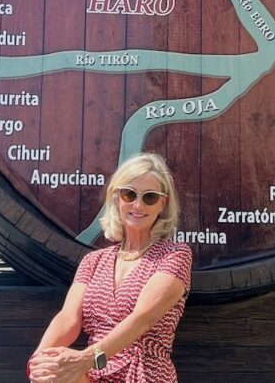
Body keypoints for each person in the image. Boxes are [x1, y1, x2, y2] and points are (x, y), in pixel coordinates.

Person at [28, 152, 192, 383]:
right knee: (52, 370)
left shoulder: (174, 255)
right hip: (93, 371)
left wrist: (84, 360)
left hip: (144, 373)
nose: (138, 204)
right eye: (129, 194)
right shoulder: (93, 261)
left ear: (162, 204)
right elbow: (68, 318)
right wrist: (39, 362)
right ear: (116, 198)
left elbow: (143, 319)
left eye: (150, 197)